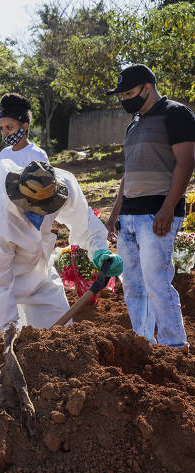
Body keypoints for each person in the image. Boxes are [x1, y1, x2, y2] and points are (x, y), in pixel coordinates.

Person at [0, 160, 122, 385]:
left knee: (59, 332)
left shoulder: (59, 187)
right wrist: (8, 344)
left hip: (36, 268)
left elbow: (84, 220)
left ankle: (60, 388)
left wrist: (100, 249)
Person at [105, 64, 195, 349]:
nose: (124, 100)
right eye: (120, 95)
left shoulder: (175, 114)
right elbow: (128, 174)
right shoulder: (134, 123)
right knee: (133, 286)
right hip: (129, 216)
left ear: (147, 87)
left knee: (157, 283)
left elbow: (187, 161)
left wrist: (169, 208)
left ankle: (175, 347)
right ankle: (143, 345)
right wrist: (114, 215)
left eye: (129, 93)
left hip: (156, 215)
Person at [0, 93, 48, 188]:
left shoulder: (36, 154)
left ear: (25, 126)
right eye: (1, 128)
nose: (4, 133)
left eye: (9, 127)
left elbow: (45, 186)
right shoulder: (4, 153)